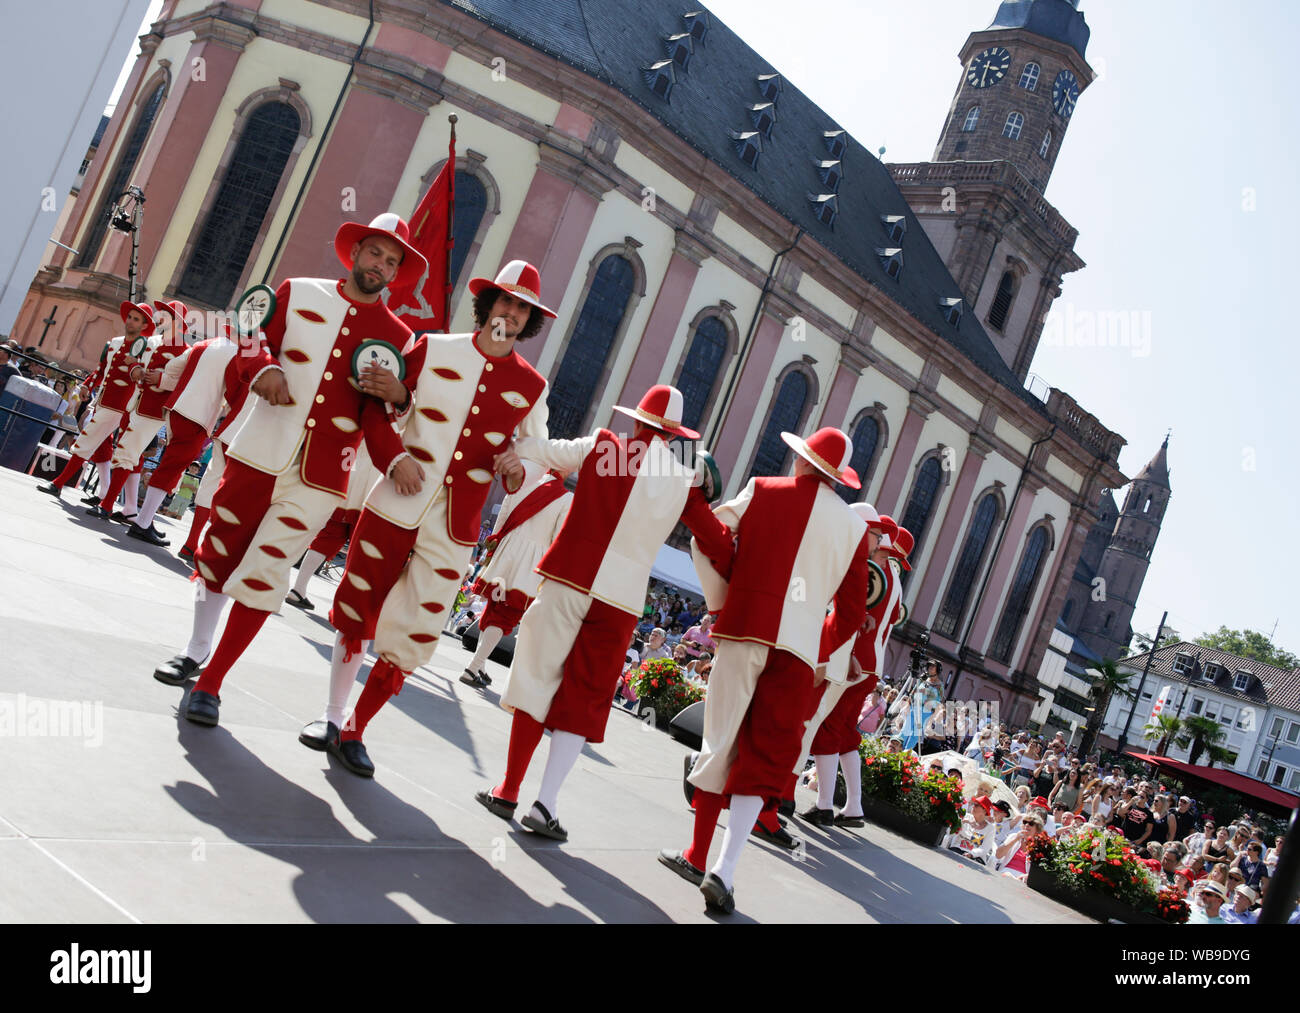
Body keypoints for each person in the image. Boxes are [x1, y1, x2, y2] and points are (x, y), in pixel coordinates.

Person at [150, 213, 424, 720]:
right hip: (259, 450)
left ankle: (211, 683)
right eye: (374, 254)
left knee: (267, 572)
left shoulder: (398, 337)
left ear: (396, 272)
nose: (380, 266)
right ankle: (196, 649)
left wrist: (400, 420)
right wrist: (265, 368)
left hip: (322, 476)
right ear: (355, 251)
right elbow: (249, 335)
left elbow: (377, 415)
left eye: (391, 262)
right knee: (219, 554)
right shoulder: (298, 291)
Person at [300, 260, 555, 775]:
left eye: (522, 307)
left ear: (530, 321)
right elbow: (379, 405)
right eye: (505, 300)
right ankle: (330, 715)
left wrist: (516, 466)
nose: (512, 311)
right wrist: (395, 457)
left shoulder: (531, 386)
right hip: (396, 499)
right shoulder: (434, 347)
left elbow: (535, 451)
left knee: (418, 629)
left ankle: (356, 729)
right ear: (488, 305)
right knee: (358, 606)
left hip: (456, 524)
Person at [472, 383, 730, 836]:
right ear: (674, 434)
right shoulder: (683, 478)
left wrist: (509, 450)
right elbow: (715, 541)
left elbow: (543, 450)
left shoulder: (603, 446)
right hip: (620, 598)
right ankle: (544, 804)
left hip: (568, 578)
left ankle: (508, 789)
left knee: (534, 680)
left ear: (636, 419)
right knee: (584, 699)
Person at [658, 426, 872, 915]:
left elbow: (712, 535)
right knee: (767, 755)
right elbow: (853, 611)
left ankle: (695, 854)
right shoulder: (854, 530)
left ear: (801, 460)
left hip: (745, 631)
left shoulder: (763, 487)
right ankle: (724, 870)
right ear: (837, 478)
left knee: (721, 739)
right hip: (797, 652)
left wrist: (723, 592)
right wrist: (819, 648)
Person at [457, 462, 573, 688]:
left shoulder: (524, 483)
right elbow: (557, 539)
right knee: (506, 616)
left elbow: (502, 516)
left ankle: (479, 665)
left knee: (494, 609)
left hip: (507, 548)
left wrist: (496, 546)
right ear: (566, 469)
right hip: (532, 559)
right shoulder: (566, 498)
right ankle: (473, 666)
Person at [88, 300, 193, 533]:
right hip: (133, 405)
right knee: (130, 456)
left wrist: (160, 379)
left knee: (125, 454)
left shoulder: (184, 350)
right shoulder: (151, 342)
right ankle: (128, 509)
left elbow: (181, 383)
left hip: (152, 411)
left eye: (165, 314)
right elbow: (136, 367)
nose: (159, 317)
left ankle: (106, 505)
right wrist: (136, 370)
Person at [37, 302, 155, 500]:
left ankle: (59, 483)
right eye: (130, 317)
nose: (131, 322)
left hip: (121, 406)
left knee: (87, 438)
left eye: (136, 319)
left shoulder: (146, 348)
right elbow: (101, 370)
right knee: (101, 447)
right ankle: (104, 493)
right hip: (103, 401)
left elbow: (142, 377)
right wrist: (87, 385)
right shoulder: (114, 342)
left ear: (144, 325)